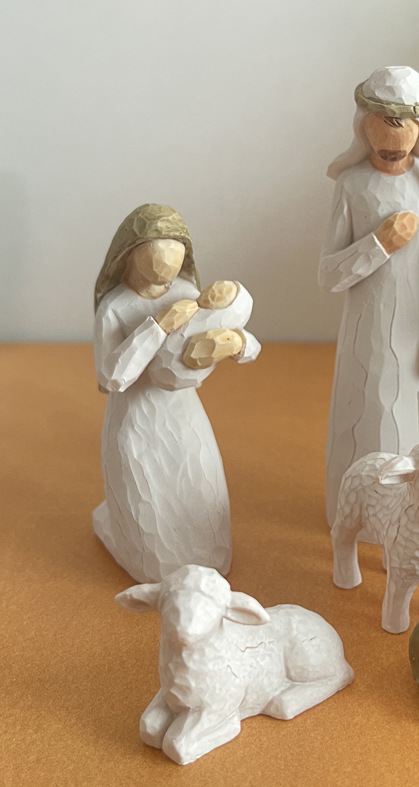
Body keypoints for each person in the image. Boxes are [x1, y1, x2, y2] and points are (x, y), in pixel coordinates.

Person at [319, 67, 419, 525]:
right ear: (363, 125)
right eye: (384, 124)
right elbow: (329, 275)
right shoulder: (351, 186)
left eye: (404, 125)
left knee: (416, 422)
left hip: (418, 333)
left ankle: (416, 513)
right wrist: (379, 244)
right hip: (364, 337)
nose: (394, 139)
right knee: (365, 418)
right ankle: (358, 515)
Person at [92, 203, 260, 582]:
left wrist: (238, 344)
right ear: (130, 256)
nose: (166, 278)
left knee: (198, 481)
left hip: (183, 414)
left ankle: (208, 557)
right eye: (155, 262)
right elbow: (113, 377)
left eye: (174, 262)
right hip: (136, 419)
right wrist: (158, 326)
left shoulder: (186, 291)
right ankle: (147, 562)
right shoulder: (115, 307)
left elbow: (212, 340)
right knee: (147, 499)